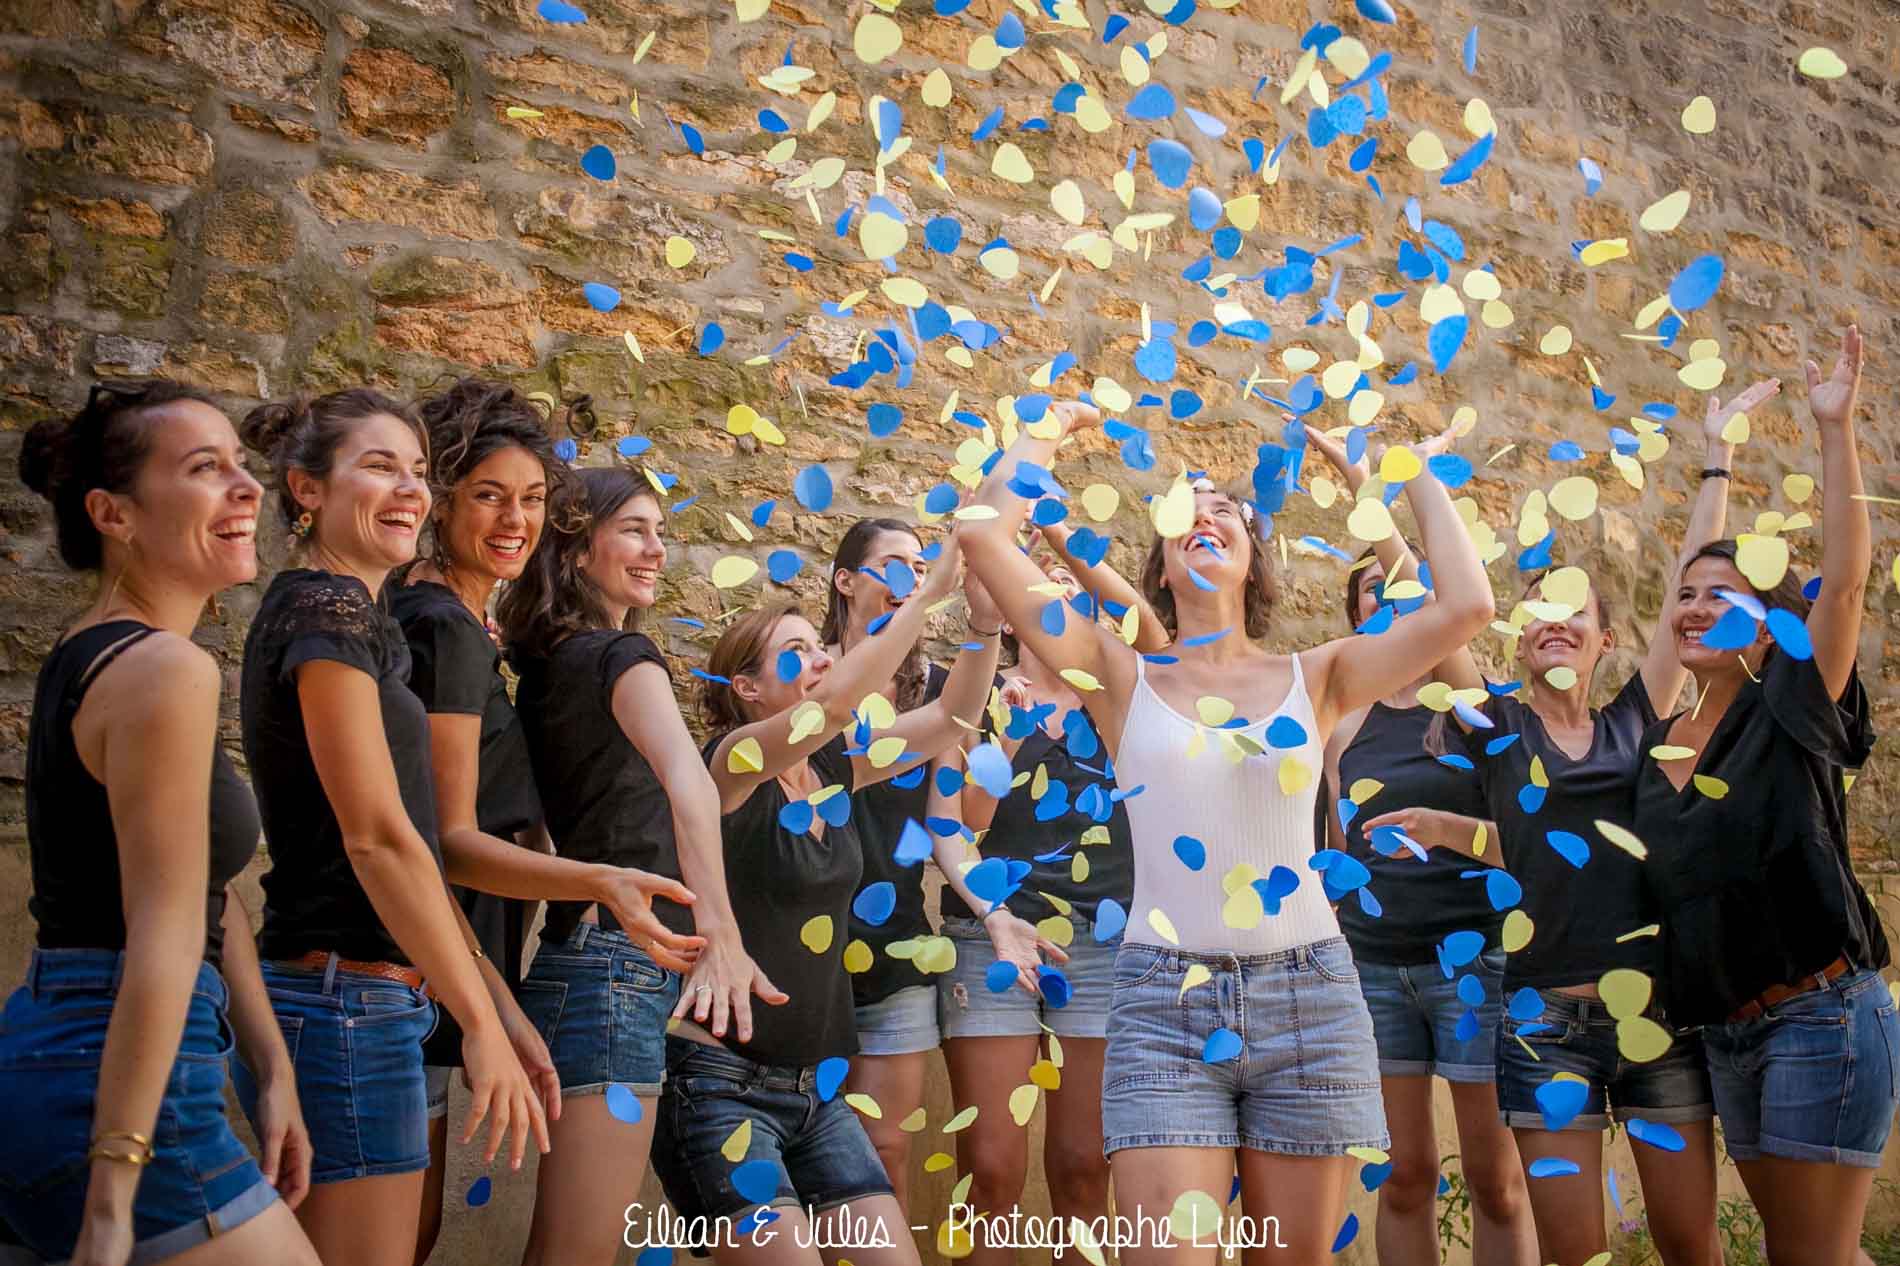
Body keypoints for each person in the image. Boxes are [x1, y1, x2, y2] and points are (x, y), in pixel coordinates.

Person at [958, 400, 1496, 1266]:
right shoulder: (1116, 674)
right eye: (1187, 513)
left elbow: (1468, 605)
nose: (1206, 518)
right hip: (1163, 1009)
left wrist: (1409, 474)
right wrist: (1047, 426)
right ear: (1162, 565)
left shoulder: (1318, 675)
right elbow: (982, 538)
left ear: (1254, 562)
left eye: (1228, 513)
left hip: (1311, 1000)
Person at [1363, 379, 1779, 1266]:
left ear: (1602, 639)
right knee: (1573, 1257)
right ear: (1521, 640)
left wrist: (1719, 455)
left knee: (1689, 1248)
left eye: (1575, 614)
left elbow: (1686, 585)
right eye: (1541, 613)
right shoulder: (1498, 722)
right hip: (1540, 1024)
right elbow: (1439, 601)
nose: (1556, 624)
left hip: (1657, 1018)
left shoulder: (1637, 717)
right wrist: (1402, 487)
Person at [0, 381, 319, 1266]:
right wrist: (115, 1190)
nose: (247, 488)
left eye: (243, 466)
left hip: (53, 1056)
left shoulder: (89, 650)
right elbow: (165, 932)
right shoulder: (165, 670)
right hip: (113, 1082)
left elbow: (202, 899)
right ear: (114, 514)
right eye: (205, 469)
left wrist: (271, 1066)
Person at [236, 389, 548, 1266]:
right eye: (379, 467)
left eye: (417, 470)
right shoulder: (322, 615)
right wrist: (479, 1022)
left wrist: (490, 999)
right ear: (306, 488)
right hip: (340, 999)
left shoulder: (364, 621)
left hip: (374, 999)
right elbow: (378, 840)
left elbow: (410, 840)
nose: (409, 489)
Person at [392, 380, 700, 1265]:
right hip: (401, 982)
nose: (513, 520)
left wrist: (497, 1007)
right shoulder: (446, 631)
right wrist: (604, 883)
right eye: (489, 495)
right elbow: (444, 839)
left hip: (448, 975)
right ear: (443, 501)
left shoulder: (479, 637)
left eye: (529, 500)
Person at [650, 534, 998, 1265]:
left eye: (819, 647)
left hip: (817, 1092)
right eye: (797, 651)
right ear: (746, 688)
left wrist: (983, 628)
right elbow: (833, 709)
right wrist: (928, 595)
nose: (820, 660)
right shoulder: (728, 766)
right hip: (719, 1088)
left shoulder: (832, 768)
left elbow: (950, 721)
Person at [1634, 327, 1892, 1266]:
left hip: (1821, 1017)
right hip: (1728, 1039)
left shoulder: (1792, 699)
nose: (1695, 607)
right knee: (1806, 1253)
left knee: (1809, 1258)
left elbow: (1849, 578)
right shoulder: (1659, 737)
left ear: (1766, 616)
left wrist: (1834, 427)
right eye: (1686, 596)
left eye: (1721, 595)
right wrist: (1715, 458)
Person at [502, 465, 781, 1266]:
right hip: (614, 971)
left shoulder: (551, 664)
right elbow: (688, 780)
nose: (657, 549)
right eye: (634, 530)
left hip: (584, 964)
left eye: (661, 531)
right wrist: (720, 932)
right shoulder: (620, 654)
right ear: (578, 548)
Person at [1304, 426, 1538, 1266]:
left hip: (1472, 965)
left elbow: (1429, 597)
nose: (1384, 599)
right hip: (1377, 968)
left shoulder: (1466, 697)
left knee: (1496, 1180)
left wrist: (1374, 483)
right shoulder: (1343, 721)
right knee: (1404, 1177)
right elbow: (1333, 846)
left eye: (1392, 587)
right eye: (1364, 593)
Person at [927, 557, 1135, 1266]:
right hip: (992, 942)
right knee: (990, 1169)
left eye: (1066, 579)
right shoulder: (977, 693)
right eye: (1034, 575)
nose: (1050, 585)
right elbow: (962, 829)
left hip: (1102, 948)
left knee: (1083, 1164)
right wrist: (1006, 743)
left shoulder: (1122, 696)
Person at [820, 517, 953, 1209]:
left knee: (886, 1149)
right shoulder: (806, 674)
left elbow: (954, 825)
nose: (909, 580)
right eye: (891, 565)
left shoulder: (943, 690)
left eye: (920, 567)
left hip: (896, 945)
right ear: (845, 581)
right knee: (809, 1142)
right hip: (802, 954)